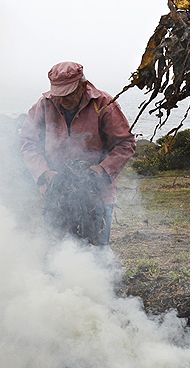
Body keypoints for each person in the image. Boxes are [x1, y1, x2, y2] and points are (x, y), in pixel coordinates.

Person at [20, 61, 136, 245]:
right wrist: (44, 173)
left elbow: (125, 143)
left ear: (82, 85)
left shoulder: (104, 104)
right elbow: (28, 142)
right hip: (55, 191)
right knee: (57, 250)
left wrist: (101, 170)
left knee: (96, 251)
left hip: (97, 192)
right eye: (59, 95)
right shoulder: (44, 105)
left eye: (68, 94)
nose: (62, 100)